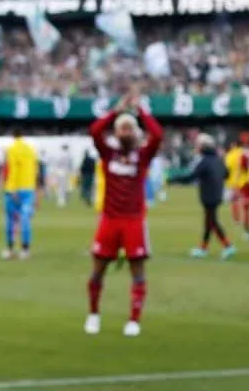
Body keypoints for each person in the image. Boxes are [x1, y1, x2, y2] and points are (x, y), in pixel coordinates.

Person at [85, 92, 163, 337]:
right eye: (122, 128)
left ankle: (134, 320)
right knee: (97, 270)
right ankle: (94, 314)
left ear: (137, 133)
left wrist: (141, 111)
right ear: (116, 133)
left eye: (130, 128)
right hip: (109, 219)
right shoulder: (108, 153)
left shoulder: (143, 155)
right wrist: (115, 112)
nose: (126, 132)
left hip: (133, 221)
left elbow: (158, 134)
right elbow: (95, 131)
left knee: (137, 272)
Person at [169, 133, 233, 260]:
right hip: (216, 194)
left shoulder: (204, 161)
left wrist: (174, 179)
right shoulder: (217, 159)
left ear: (203, 147)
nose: (196, 148)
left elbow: (192, 176)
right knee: (209, 222)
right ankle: (204, 248)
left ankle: (227, 246)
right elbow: (226, 174)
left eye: (198, 145)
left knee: (212, 222)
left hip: (209, 195)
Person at [1, 130, 40, 260]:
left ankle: (10, 248)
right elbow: (35, 170)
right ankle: (25, 249)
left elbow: (13, 169)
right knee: (25, 219)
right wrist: (36, 190)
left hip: (14, 189)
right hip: (29, 188)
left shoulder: (12, 149)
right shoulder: (31, 150)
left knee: (11, 220)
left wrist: (12, 189)